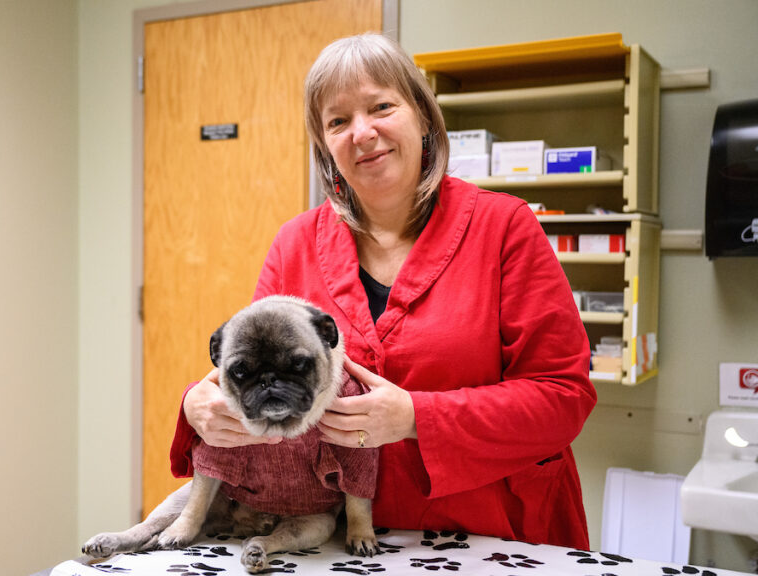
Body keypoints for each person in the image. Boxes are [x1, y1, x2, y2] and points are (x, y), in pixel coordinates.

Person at [169, 33, 597, 550]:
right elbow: (252, 366)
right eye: (338, 120)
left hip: (493, 531)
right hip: (335, 539)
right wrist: (198, 403)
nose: (362, 132)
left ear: (421, 114)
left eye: (381, 107)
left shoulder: (505, 228)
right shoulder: (295, 244)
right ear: (325, 144)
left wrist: (417, 418)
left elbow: (563, 397)